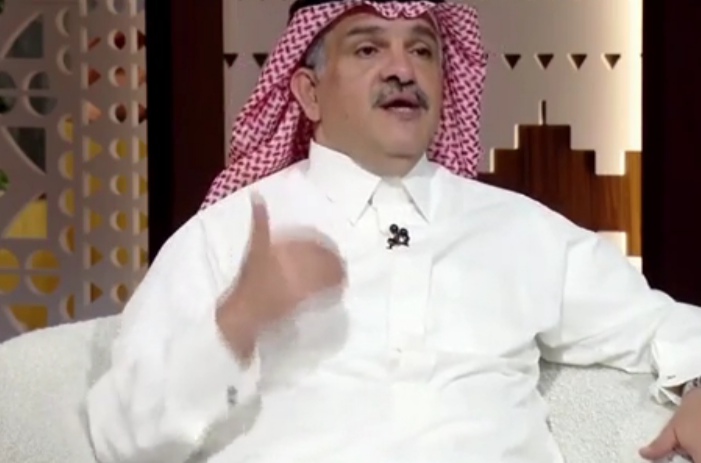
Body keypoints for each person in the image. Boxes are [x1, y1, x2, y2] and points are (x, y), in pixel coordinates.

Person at [85, 0, 701, 461]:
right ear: (308, 92)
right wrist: (239, 322)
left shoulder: (519, 229)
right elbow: (121, 438)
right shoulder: (228, 235)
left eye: (423, 51)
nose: (403, 70)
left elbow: (662, 325)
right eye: (367, 49)